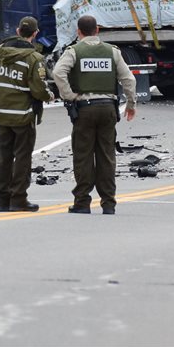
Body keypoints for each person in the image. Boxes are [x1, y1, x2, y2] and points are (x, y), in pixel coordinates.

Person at [52, 15, 137, 215]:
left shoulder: (74, 51)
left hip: (84, 109)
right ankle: (108, 203)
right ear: (97, 30)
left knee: (83, 156)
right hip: (108, 108)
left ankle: (82, 202)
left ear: (78, 32)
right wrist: (131, 104)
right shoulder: (112, 52)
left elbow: (58, 72)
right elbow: (129, 80)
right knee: (107, 156)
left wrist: (69, 95)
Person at [0, 16, 52, 213]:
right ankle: (18, 199)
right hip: (23, 116)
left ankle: (3, 200)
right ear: (35, 34)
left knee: (4, 157)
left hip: (1, 113)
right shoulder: (34, 59)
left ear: (18, 31)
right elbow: (38, 90)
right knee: (22, 158)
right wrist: (50, 96)